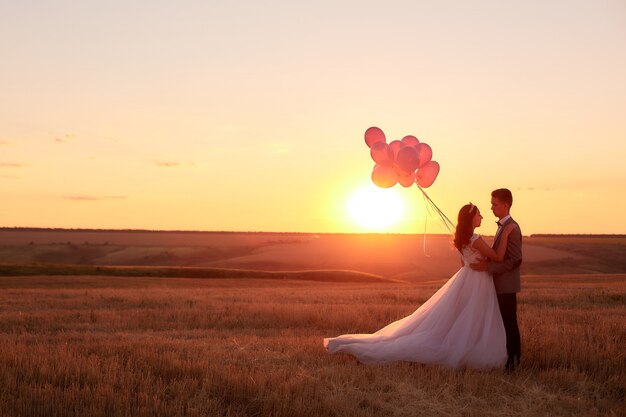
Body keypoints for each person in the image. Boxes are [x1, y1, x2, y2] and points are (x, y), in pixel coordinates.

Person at [323, 203, 517, 370]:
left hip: (466, 278)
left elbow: (463, 264)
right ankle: (469, 347)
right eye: (479, 214)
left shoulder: (462, 240)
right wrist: (506, 234)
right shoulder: (475, 239)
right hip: (478, 281)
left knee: (461, 316)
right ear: (471, 218)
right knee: (472, 317)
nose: (482, 216)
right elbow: (498, 257)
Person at [471, 188, 522, 370]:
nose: (491, 208)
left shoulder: (513, 228)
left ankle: (514, 362)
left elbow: (515, 260)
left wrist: (490, 267)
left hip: (507, 285)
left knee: (509, 322)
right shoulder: (503, 226)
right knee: (502, 323)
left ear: (505, 205)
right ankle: (506, 358)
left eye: (494, 204)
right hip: (499, 284)